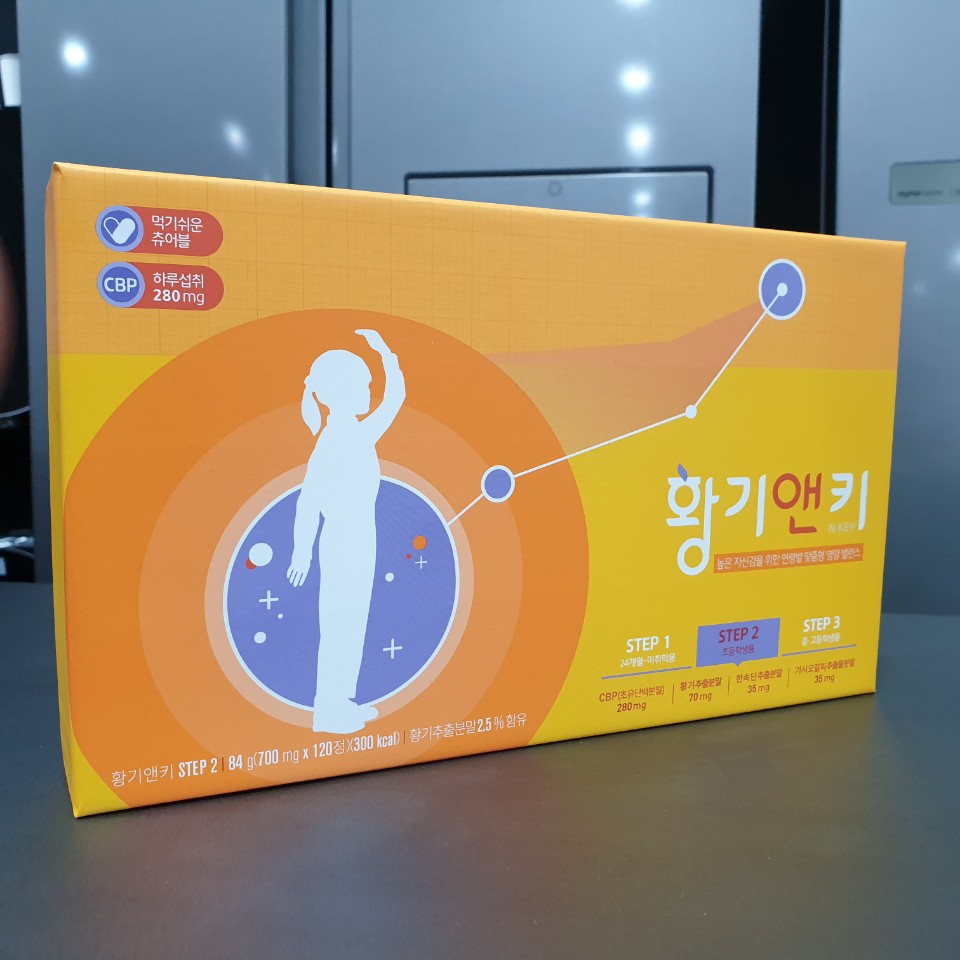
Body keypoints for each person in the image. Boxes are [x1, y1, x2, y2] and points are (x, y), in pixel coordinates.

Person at [287, 329, 406, 733]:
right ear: (342, 392)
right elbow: (308, 501)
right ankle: (329, 711)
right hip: (343, 544)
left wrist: (385, 352)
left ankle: (341, 702)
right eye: (364, 385)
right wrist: (301, 552)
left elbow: (395, 399)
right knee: (341, 625)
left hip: (357, 541)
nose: (370, 392)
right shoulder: (341, 438)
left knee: (352, 623)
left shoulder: (349, 433)